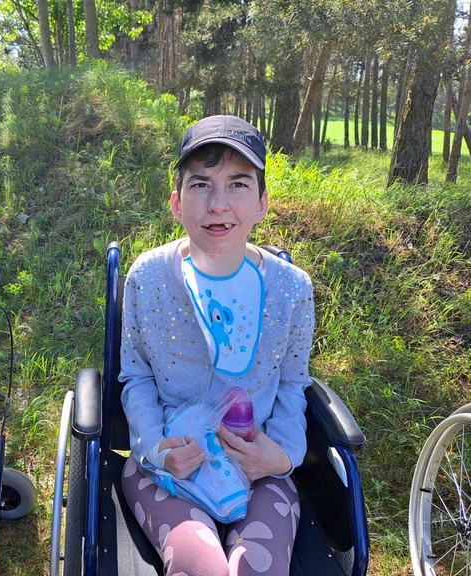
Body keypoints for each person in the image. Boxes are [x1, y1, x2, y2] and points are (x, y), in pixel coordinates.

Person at [119, 115, 314, 576]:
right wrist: (156, 449)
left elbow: (293, 385)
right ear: (176, 202)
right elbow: (137, 377)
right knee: (201, 569)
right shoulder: (148, 277)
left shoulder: (291, 289)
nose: (218, 204)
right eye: (201, 185)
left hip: (259, 471)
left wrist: (283, 454)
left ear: (262, 203)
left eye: (238, 184)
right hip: (167, 469)